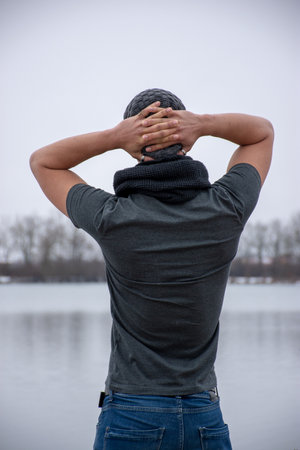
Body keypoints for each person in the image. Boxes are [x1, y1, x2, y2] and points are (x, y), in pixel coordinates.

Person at [30, 88, 273, 449]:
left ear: (134, 145)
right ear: (186, 143)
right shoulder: (227, 207)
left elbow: (43, 161)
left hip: (131, 414)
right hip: (204, 416)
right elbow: (262, 133)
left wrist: (115, 137)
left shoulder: (111, 218)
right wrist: (203, 124)